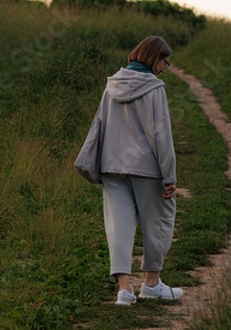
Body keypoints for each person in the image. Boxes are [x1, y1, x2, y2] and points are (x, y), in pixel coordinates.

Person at [95, 35, 183, 306]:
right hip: (146, 168)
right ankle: (152, 284)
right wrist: (169, 175)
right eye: (164, 61)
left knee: (118, 226)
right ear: (153, 57)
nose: (165, 67)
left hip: (111, 166)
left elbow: (100, 125)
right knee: (156, 222)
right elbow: (161, 135)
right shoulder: (154, 89)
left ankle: (124, 290)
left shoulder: (111, 85)